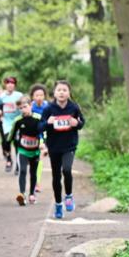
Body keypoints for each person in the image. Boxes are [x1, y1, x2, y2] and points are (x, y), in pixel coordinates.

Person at [38, 80, 85, 219]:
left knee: (66, 169)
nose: (62, 92)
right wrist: (48, 123)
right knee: (56, 176)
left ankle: (69, 196)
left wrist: (77, 123)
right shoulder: (49, 109)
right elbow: (40, 127)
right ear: (54, 93)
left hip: (69, 145)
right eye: (59, 90)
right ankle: (58, 204)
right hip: (54, 146)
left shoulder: (74, 107)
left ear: (69, 92)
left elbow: (82, 123)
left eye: (64, 90)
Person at [12, 96, 43, 206]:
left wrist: (43, 144)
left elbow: (44, 132)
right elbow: (11, 135)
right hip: (22, 150)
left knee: (33, 173)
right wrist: (7, 146)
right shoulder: (18, 120)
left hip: (35, 151)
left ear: (31, 106)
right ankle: (22, 194)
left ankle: (32, 194)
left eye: (25, 107)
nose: (23, 110)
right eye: (20, 108)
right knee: (23, 170)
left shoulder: (39, 118)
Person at [0, 76, 23, 174]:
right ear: (5, 85)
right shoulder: (2, 96)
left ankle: (18, 165)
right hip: (7, 122)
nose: (10, 85)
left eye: (12, 83)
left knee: (17, 143)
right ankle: (9, 159)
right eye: (8, 83)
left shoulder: (19, 95)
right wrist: (0, 112)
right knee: (6, 142)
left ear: (15, 85)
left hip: (17, 121)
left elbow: (23, 105)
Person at [29, 83, 48, 194]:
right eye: (37, 95)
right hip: (32, 136)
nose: (39, 97)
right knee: (33, 160)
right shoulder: (30, 107)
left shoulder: (48, 107)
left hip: (44, 136)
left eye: (41, 95)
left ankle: (37, 183)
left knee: (39, 159)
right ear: (33, 96)